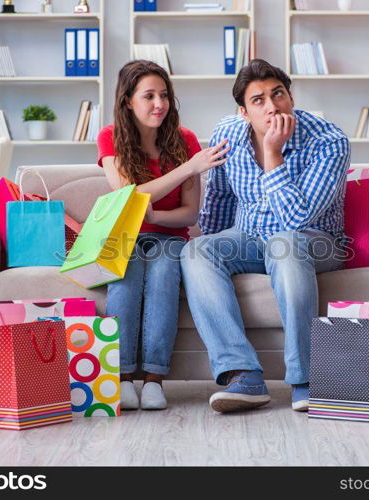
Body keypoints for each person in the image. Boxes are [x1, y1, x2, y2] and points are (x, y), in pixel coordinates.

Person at [180, 59, 351, 413]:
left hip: (315, 240)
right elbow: (221, 199)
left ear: (291, 97)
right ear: (243, 111)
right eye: (258, 100)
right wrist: (216, 255)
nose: (272, 106)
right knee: (197, 251)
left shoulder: (329, 142)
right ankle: (243, 375)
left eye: (279, 94)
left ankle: (306, 379)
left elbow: (296, 219)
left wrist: (273, 153)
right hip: (249, 236)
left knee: (283, 243)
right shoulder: (228, 134)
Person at [97, 60, 230, 410]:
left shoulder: (184, 140)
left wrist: (153, 214)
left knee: (164, 275)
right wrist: (189, 167)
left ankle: (154, 379)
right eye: (149, 96)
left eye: (164, 95)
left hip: (170, 238)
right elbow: (129, 196)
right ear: (128, 100)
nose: (159, 104)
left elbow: (189, 213)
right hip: (126, 236)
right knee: (125, 277)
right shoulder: (110, 137)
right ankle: (122, 377)